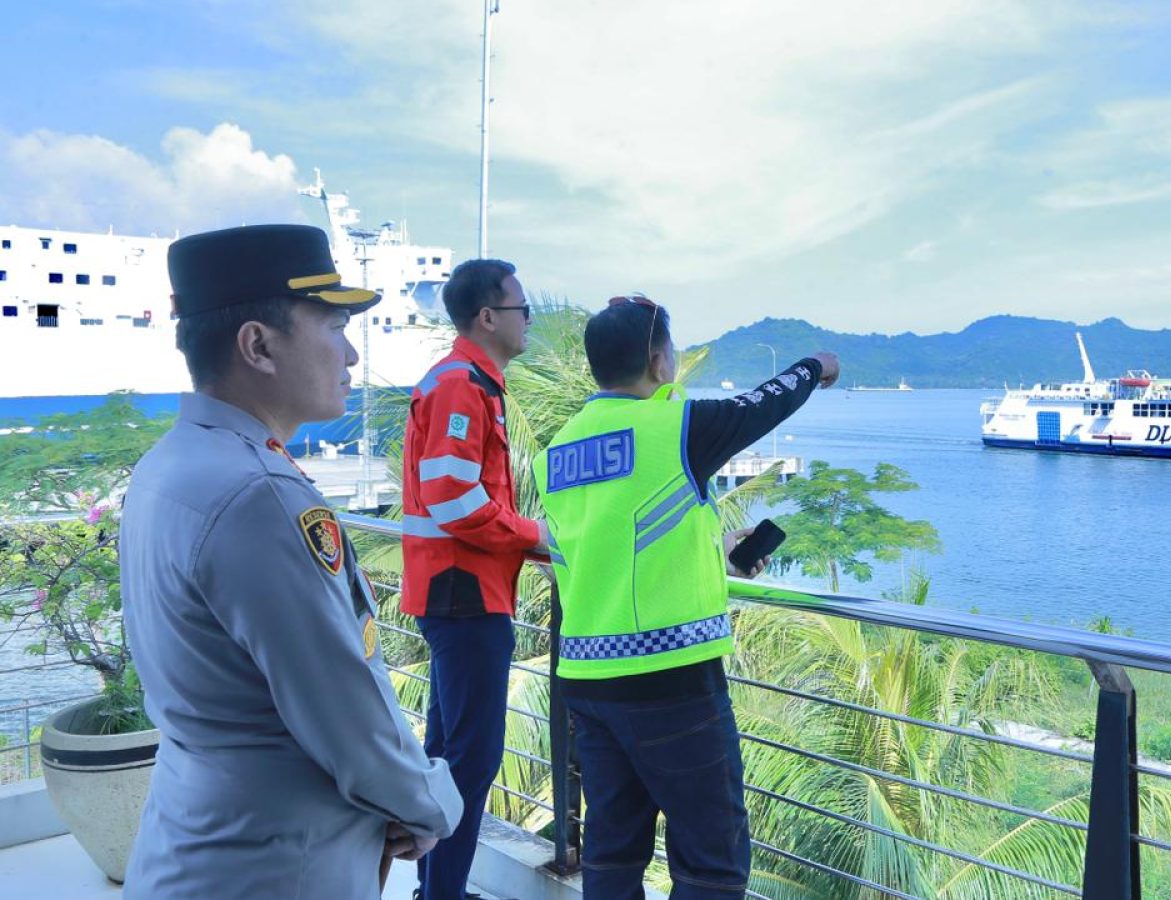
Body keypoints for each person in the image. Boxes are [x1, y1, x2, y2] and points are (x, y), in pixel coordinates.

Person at [120, 224, 463, 899]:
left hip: (199, 840)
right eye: (334, 326)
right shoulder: (258, 496)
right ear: (258, 345)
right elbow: (344, 709)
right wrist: (430, 807)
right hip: (277, 865)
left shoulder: (170, 466)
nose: (353, 356)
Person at [532, 294, 840, 898]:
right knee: (710, 862)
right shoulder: (676, 427)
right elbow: (763, 404)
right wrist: (817, 365)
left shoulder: (558, 452)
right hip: (668, 682)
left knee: (613, 852)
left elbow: (614, 544)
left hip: (587, 681)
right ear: (657, 360)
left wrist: (719, 550)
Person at [400, 258, 548, 900]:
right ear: (488, 317)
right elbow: (454, 497)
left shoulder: (468, 381)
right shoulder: (462, 384)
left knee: (446, 752)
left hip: (457, 592)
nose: (528, 321)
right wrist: (534, 536)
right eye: (521, 309)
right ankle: (443, 895)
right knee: (471, 759)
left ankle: (436, 885)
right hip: (464, 594)